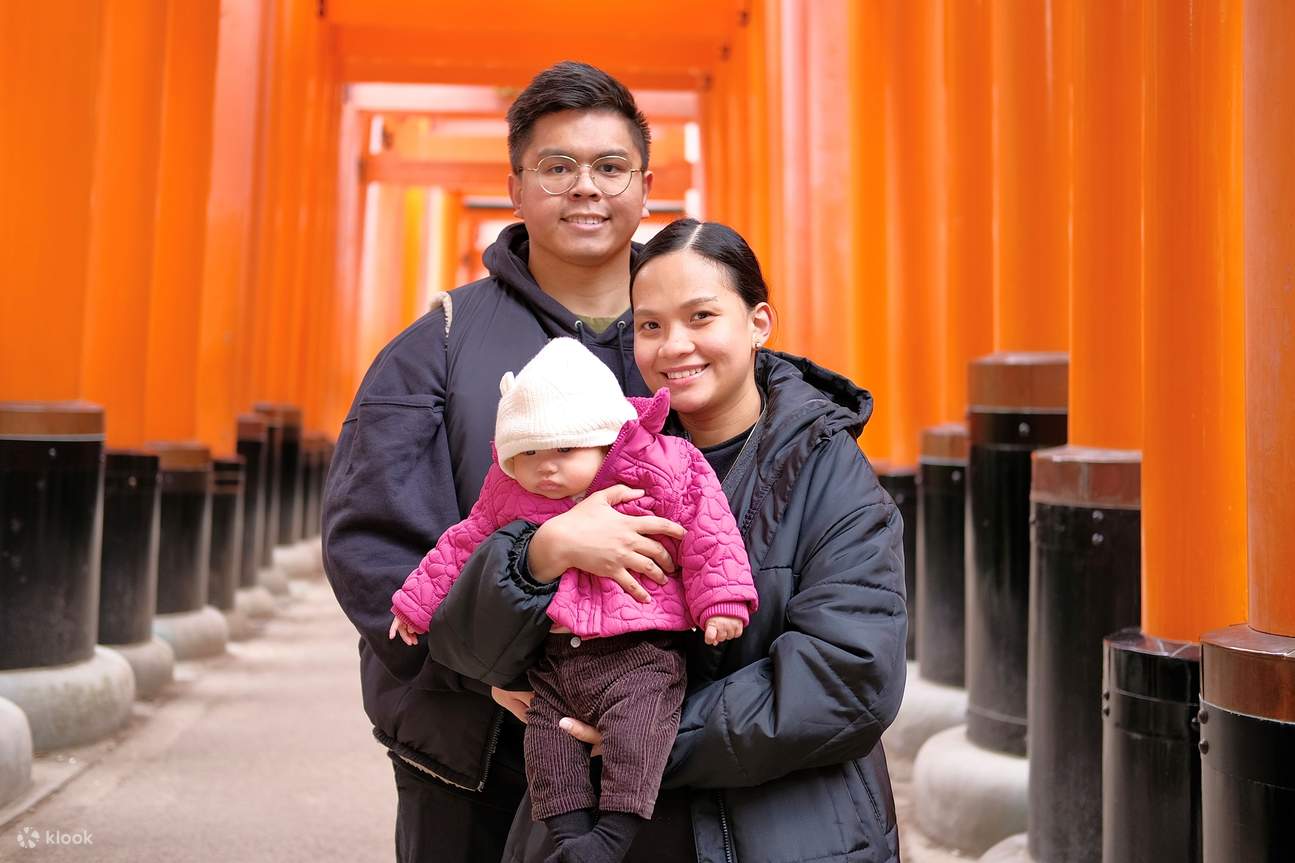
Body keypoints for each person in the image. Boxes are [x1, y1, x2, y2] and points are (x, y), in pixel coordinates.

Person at [426, 219, 908, 863]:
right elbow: (466, 645)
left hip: (788, 828)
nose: (674, 346)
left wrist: (642, 737)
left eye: (702, 316)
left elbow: (852, 677)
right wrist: (544, 555)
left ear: (758, 322)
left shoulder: (828, 473)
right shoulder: (571, 455)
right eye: (650, 326)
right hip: (599, 834)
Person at [322, 62, 685, 863]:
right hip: (473, 744)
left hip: (661, 741)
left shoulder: (692, 347)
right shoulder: (434, 349)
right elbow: (369, 548)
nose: (585, 188)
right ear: (515, 188)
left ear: (645, 185)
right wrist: (484, 667)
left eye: (609, 167)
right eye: (556, 168)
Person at [388, 337, 759, 863]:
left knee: (638, 737)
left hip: (641, 649)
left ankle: (611, 838)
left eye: (564, 450)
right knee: (547, 746)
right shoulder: (508, 490)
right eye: (529, 453)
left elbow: (709, 526)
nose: (546, 469)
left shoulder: (661, 465)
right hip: (557, 654)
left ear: (605, 438)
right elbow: (463, 543)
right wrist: (416, 602)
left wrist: (719, 599)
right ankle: (570, 841)